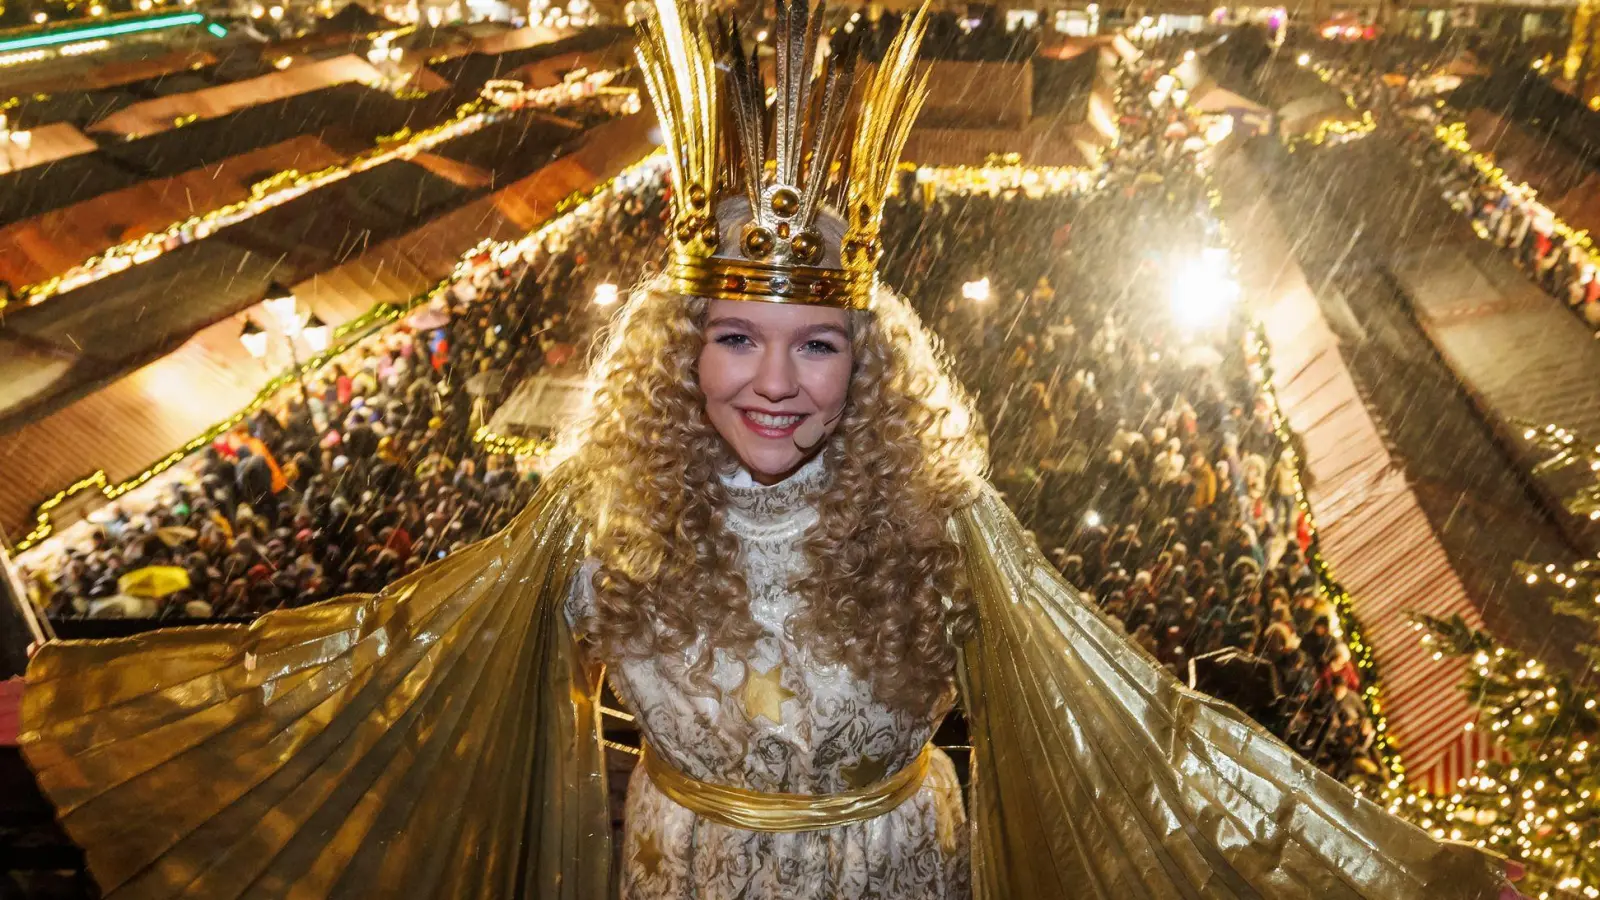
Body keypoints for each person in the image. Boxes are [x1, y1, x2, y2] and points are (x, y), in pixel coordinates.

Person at [17, 6, 1521, 899]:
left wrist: (1374, 866)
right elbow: (394, 656)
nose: (776, 383)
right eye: (736, 337)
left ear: (874, 358)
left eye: (819, 342)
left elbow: (1138, 727)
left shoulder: (948, 517)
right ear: (683, 348)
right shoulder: (598, 518)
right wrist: (112, 712)